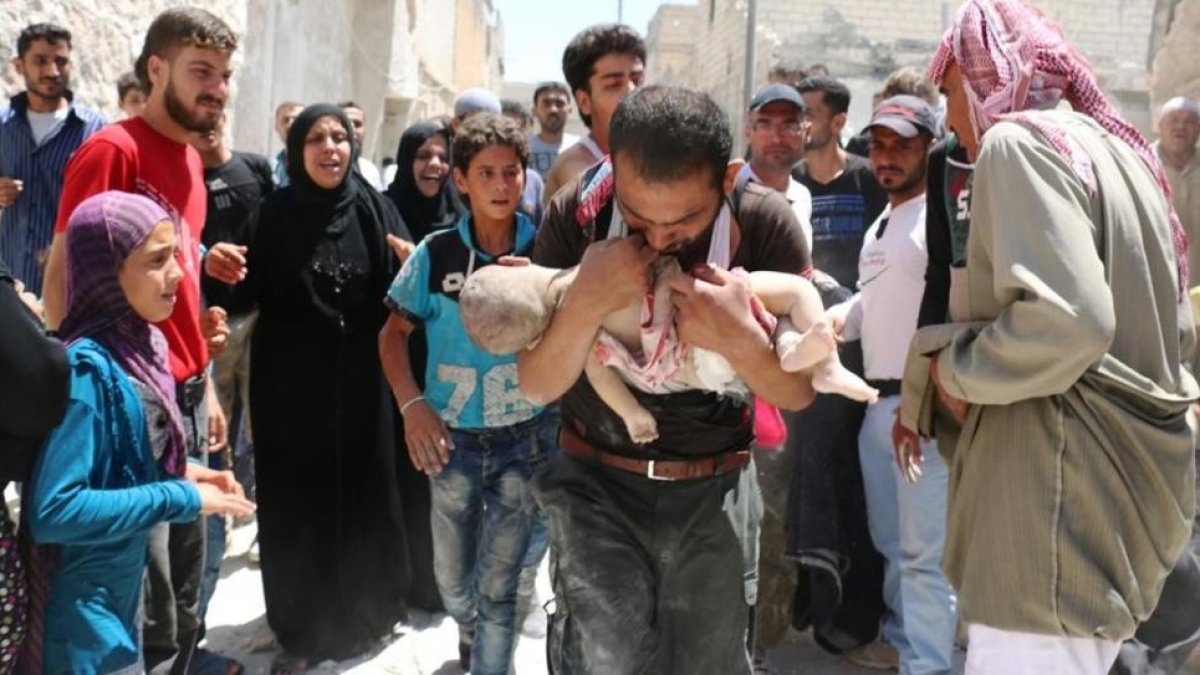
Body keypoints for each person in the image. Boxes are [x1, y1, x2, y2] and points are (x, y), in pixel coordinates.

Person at [897, 1, 1198, 671]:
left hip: (1049, 510)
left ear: (985, 76)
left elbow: (1070, 321)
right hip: (1117, 506)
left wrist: (955, 371)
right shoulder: (1121, 153)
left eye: (951, 93)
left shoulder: (1019, 142)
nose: (949, 120)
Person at [521, 85, 813, 673]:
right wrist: (584, 301)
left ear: (726, 178)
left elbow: (797, 392)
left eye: (684, 220)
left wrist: (737, 338)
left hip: (716, 493)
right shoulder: (578, 211)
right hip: (594, 484)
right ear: (615, 170)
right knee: (605, 660)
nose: (657, 239)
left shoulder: (762, 218)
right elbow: (536, 383)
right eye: (638, 217)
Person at [36, 9, 238, 674]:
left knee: (184, 577)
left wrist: (203, 378)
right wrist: (74, 385)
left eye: (225, 75)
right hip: (122, 395)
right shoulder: (112, 150)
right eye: (200, 72)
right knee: (137, 591)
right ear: (156, 70)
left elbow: (180, 282)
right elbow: (71, 266)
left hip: (179, 385)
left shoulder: (188, 158)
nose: (217, 89)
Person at [205, 103, 413, 670]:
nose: (330, 149)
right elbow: (239, 294)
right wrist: (215, 280)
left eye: (340, 138)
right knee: (299, 498)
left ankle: (370, 610)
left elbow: (411, 291)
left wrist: (413, 265)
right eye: (317, 138)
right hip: (290, 389)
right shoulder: (272, 214)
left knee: (365, 488)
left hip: (363, 385)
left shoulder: (375, 209)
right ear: (297, 149)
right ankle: (300, 618)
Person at [26, 191, 254, 675]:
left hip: (120, 608)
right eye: (156, 260)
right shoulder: (88, 372)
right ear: (108, 271)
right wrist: (179, 497)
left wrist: (189, 473)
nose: (178, 273)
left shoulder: (135, 345)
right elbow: (55, 510)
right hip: (83, 628)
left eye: (176, 255)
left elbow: (118, 466)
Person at [378, 113, 553, 674]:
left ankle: (488, 654)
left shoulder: (547, 248)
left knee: (498, 589)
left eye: (511, 173)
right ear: (460, 180)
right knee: (455, 583)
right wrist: (412, 407)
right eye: (486, 174)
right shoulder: (435, 254)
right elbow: (392, 335)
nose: (501, 186)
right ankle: (471, 632)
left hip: (526, 439)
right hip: (448, 442)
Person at [825, 96, 957, 674]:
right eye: (878, 145)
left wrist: (922, 405)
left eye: (902, 144)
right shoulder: (885, 220)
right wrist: (841, 318)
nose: (887, 157)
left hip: (919, 409)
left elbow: (946, 314)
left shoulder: (939, 219)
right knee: (892, 548)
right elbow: (876, 301)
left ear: (931, 147)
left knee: (924, 555)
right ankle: (912, 650)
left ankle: (928, 664)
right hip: (879, 406)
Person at [787, 73, 892, 669]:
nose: (799, 126)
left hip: (863, 362)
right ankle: (810, 611)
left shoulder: (867, 180)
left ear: (836, 121)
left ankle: (856, 620)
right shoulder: (792, 185)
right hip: (803, 361)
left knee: (857, 490)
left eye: (808, 114)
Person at [189, 112, 272, 664]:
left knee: (263, 424)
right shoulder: (183, 177)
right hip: (210, 325)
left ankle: (263, 517)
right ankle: (219, 520)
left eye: (218, 117)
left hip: (260, 318)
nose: (210, 127)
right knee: (216, 434)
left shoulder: (255, 169)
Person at [737, 81, 815, 672]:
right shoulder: (725, 194)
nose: (779, 134)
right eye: (767, 122)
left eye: (791, 123)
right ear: (748, 129)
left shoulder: (805, 201)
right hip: (725, 378)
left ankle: (757, 648)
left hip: (782, 389)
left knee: (773, 521)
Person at [0, 23, 105, 296]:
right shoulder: (2, 127)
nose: (52, 71)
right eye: (40, 61)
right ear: (19, 65)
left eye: (61, 61)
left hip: (70, 286)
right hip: (10, 285)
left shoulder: (95, 131)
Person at [542, 24, 645, 203]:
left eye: (637, 80)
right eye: (614, 85)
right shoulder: (575, 167)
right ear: (584, 101)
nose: (632, 92)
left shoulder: (642, 154)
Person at [1156, 96, 1200, 287]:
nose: (1180, 127)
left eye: (1189, 122)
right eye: (1173, 120)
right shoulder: (1143, 165)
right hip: (1160, 280)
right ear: (1160, 126)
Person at [501, 98, 546, 222]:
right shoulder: (480, 174)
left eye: (518, 129)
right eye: (505, 128)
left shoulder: (534, 180)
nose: (511, 137)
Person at [528, 81, 579, 181]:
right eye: (546, 103)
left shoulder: (582, 147)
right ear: (535, 111)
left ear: (569, 110)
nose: (553, 109)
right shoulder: (523, 147)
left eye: (559, 104)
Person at [340, 100, 386, 191]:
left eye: (357, 124)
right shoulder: (327, 166)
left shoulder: (370, 170)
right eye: (346, 123)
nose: (352, 130)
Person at [269, 101, 303, 187]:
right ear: (276, 126)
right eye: (285, 120)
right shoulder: (269, 169)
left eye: (297, 119)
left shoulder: (321, 163)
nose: (291, 124)